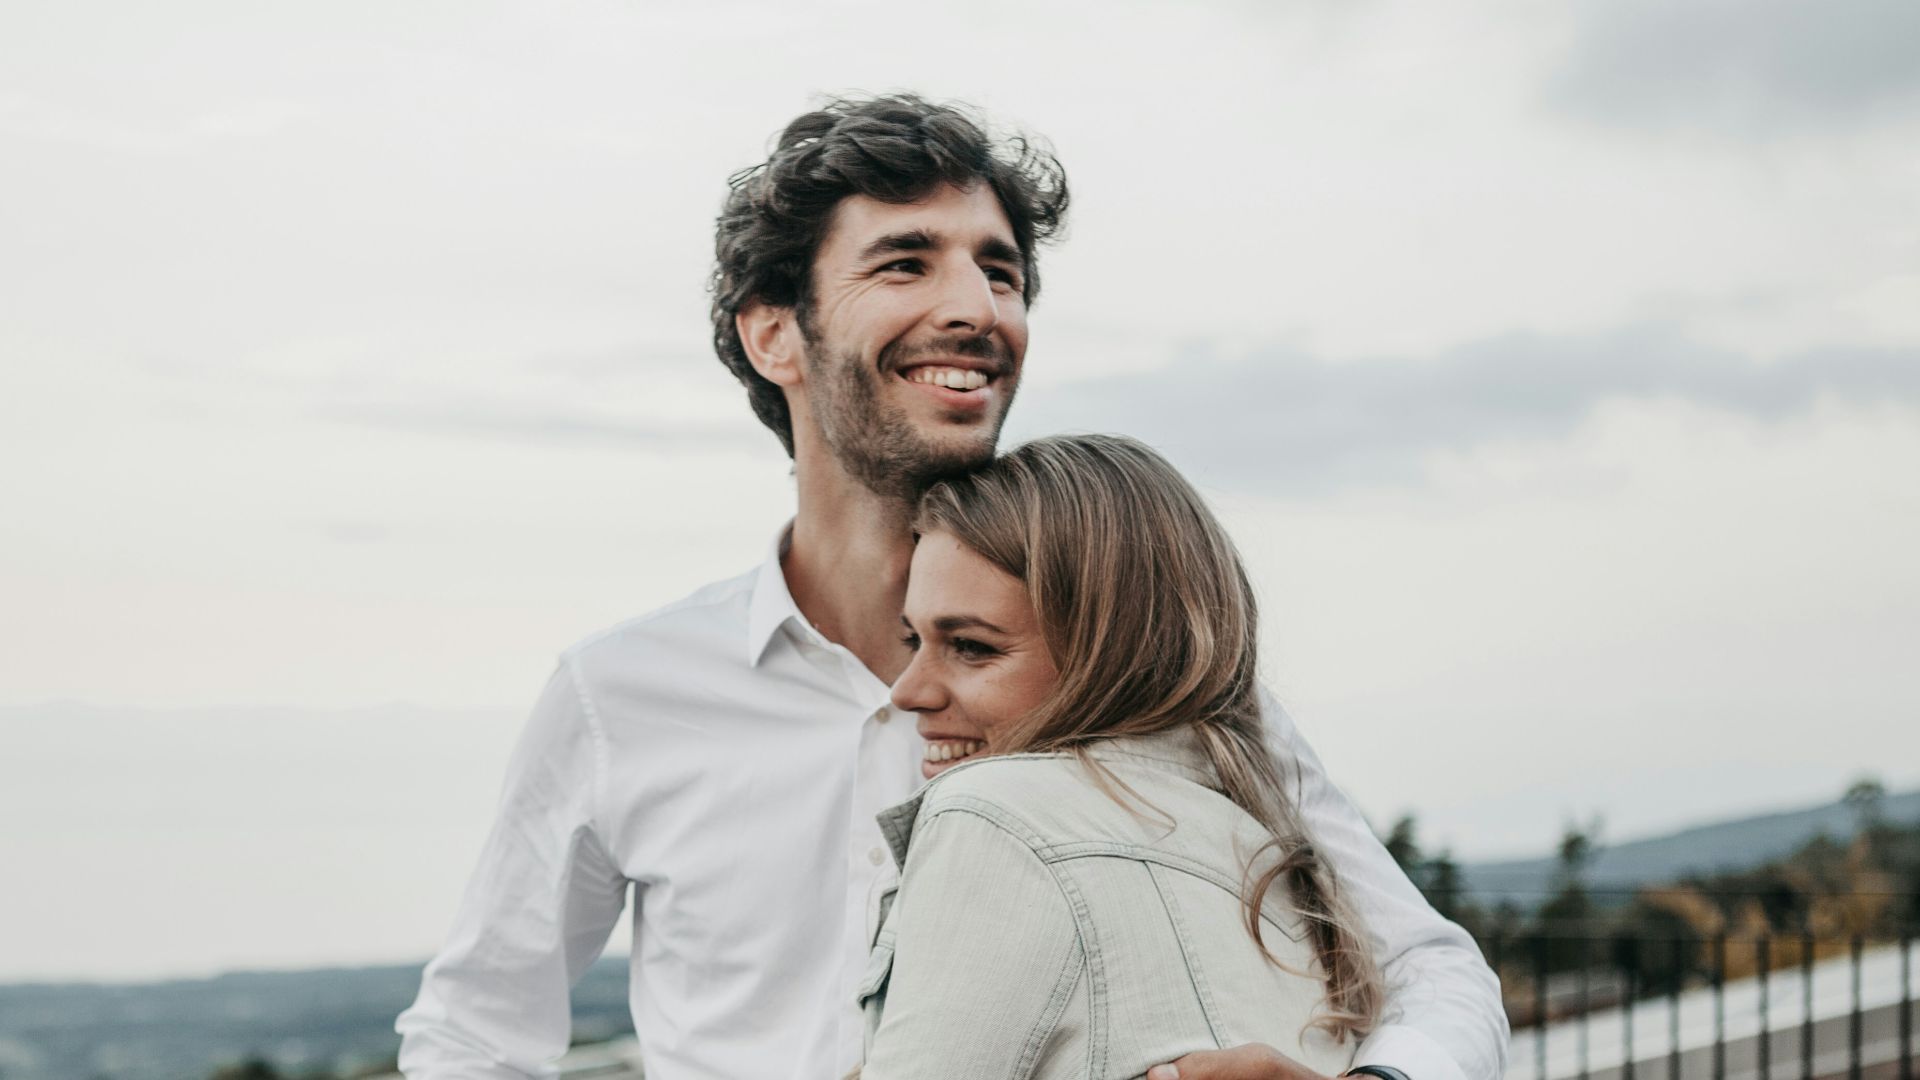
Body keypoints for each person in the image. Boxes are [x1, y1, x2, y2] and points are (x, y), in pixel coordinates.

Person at [397, 94, 1507, 1080]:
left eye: (1001, 269)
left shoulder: (1135, 668)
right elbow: (475, 1037)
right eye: (906, 261)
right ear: (775, 332)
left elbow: (1431, 970)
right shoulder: (621, 692)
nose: (978, 306)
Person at [859, 433, 1382, 1078]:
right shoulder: (1275, 857)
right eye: (915, 639)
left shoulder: (994, 817)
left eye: (971, 646)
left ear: (1112, 652)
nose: (907, 691)